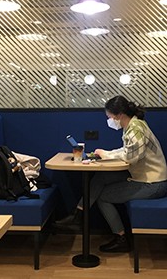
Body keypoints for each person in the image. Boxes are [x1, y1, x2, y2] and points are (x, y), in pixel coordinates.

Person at [55, 95, 167, 252]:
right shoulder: (134, 125)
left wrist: (107, 155)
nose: (109, 120)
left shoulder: (135, 129)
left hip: (153, 183)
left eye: (110, 117)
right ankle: (78, 214)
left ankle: (120, 237)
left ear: (119, 115)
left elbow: (132, 157)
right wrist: (106, 153)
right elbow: (128, 151)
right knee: (101, 177)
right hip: (142, 176)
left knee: (103, 197)